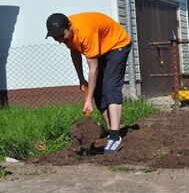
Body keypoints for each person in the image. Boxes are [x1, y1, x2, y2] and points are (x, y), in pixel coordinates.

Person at [46, 12, 131, 153]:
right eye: (56, 37)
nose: (60, 40)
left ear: (69, 27)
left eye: (61, 35)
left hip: (118, 44)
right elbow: (75, 52)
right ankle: (112, 131)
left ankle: (116, 137)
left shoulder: (85, 32)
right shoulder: (67, 36)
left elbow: (94, 68)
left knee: (110, 86)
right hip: (103, 47)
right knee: (98, 91)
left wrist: (88, 100)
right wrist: (81, 79)